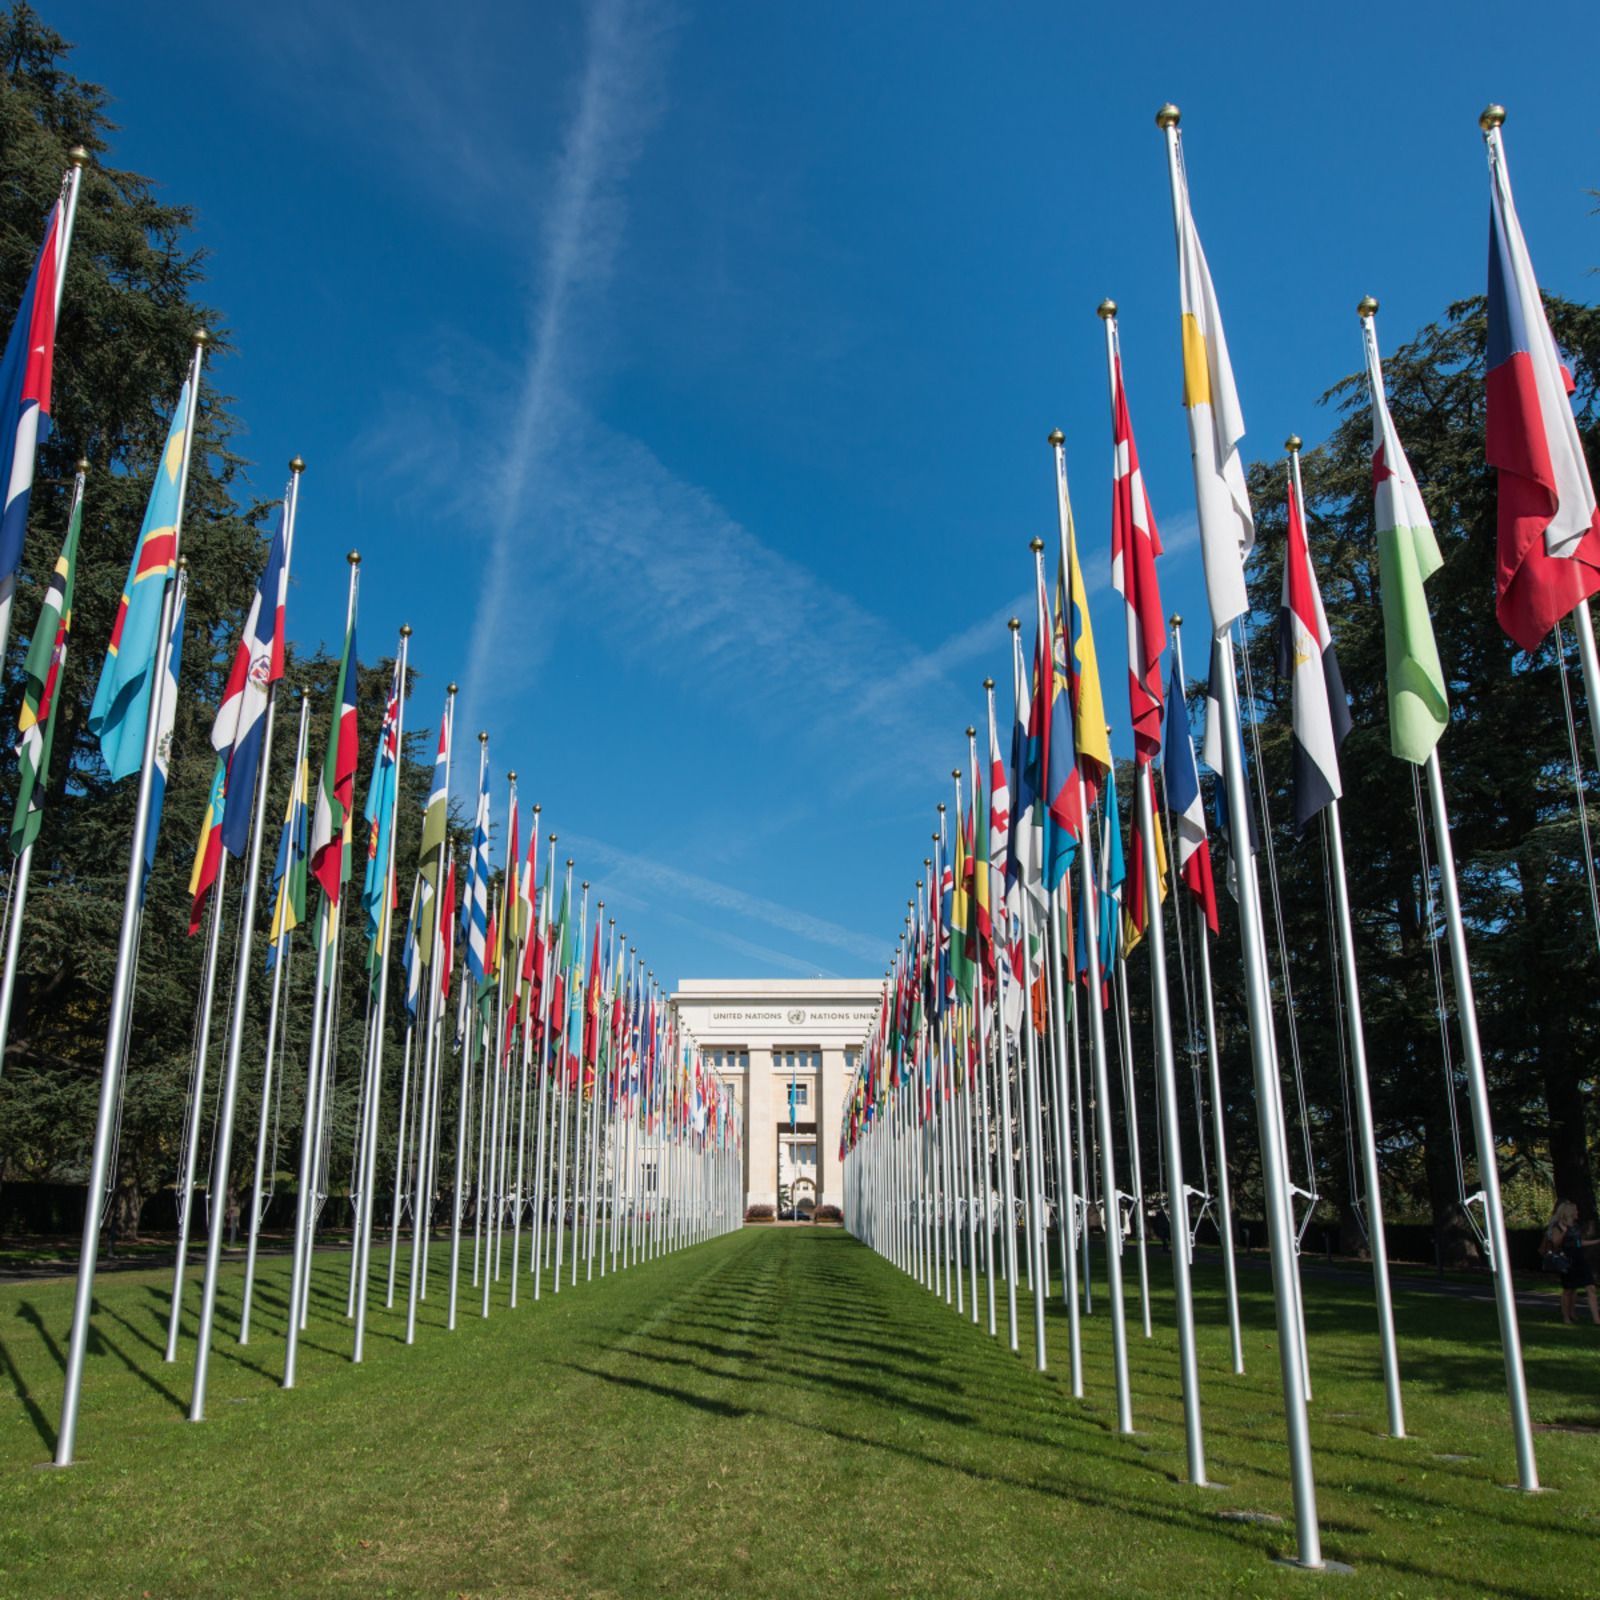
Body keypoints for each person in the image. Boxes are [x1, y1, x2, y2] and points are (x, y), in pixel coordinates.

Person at [1540, 1200, 1599, 1326]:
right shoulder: (1558, 1226)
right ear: (1569, 1212)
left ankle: (1596, 1319)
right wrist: (1564, 1232)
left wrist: (1596, 1242)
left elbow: (1578, 1243)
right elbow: (1556, 1243)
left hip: (1579, 1258)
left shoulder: (1575, 1226)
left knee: (1590, 1287)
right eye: (1575, 1210)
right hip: (1567, 1260)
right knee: (1569, 1289)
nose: (1577, 1212)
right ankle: (1566, 1317)